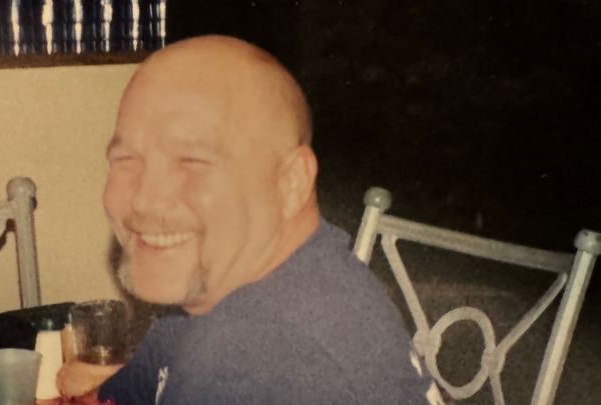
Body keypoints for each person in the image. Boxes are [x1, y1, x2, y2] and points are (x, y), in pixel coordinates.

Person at [58, 35, 444, 405]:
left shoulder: (253, 359)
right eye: (126, 160)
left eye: (191, 162)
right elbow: (129, 390)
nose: (144, 200)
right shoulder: (229, 290)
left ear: (291, 183)